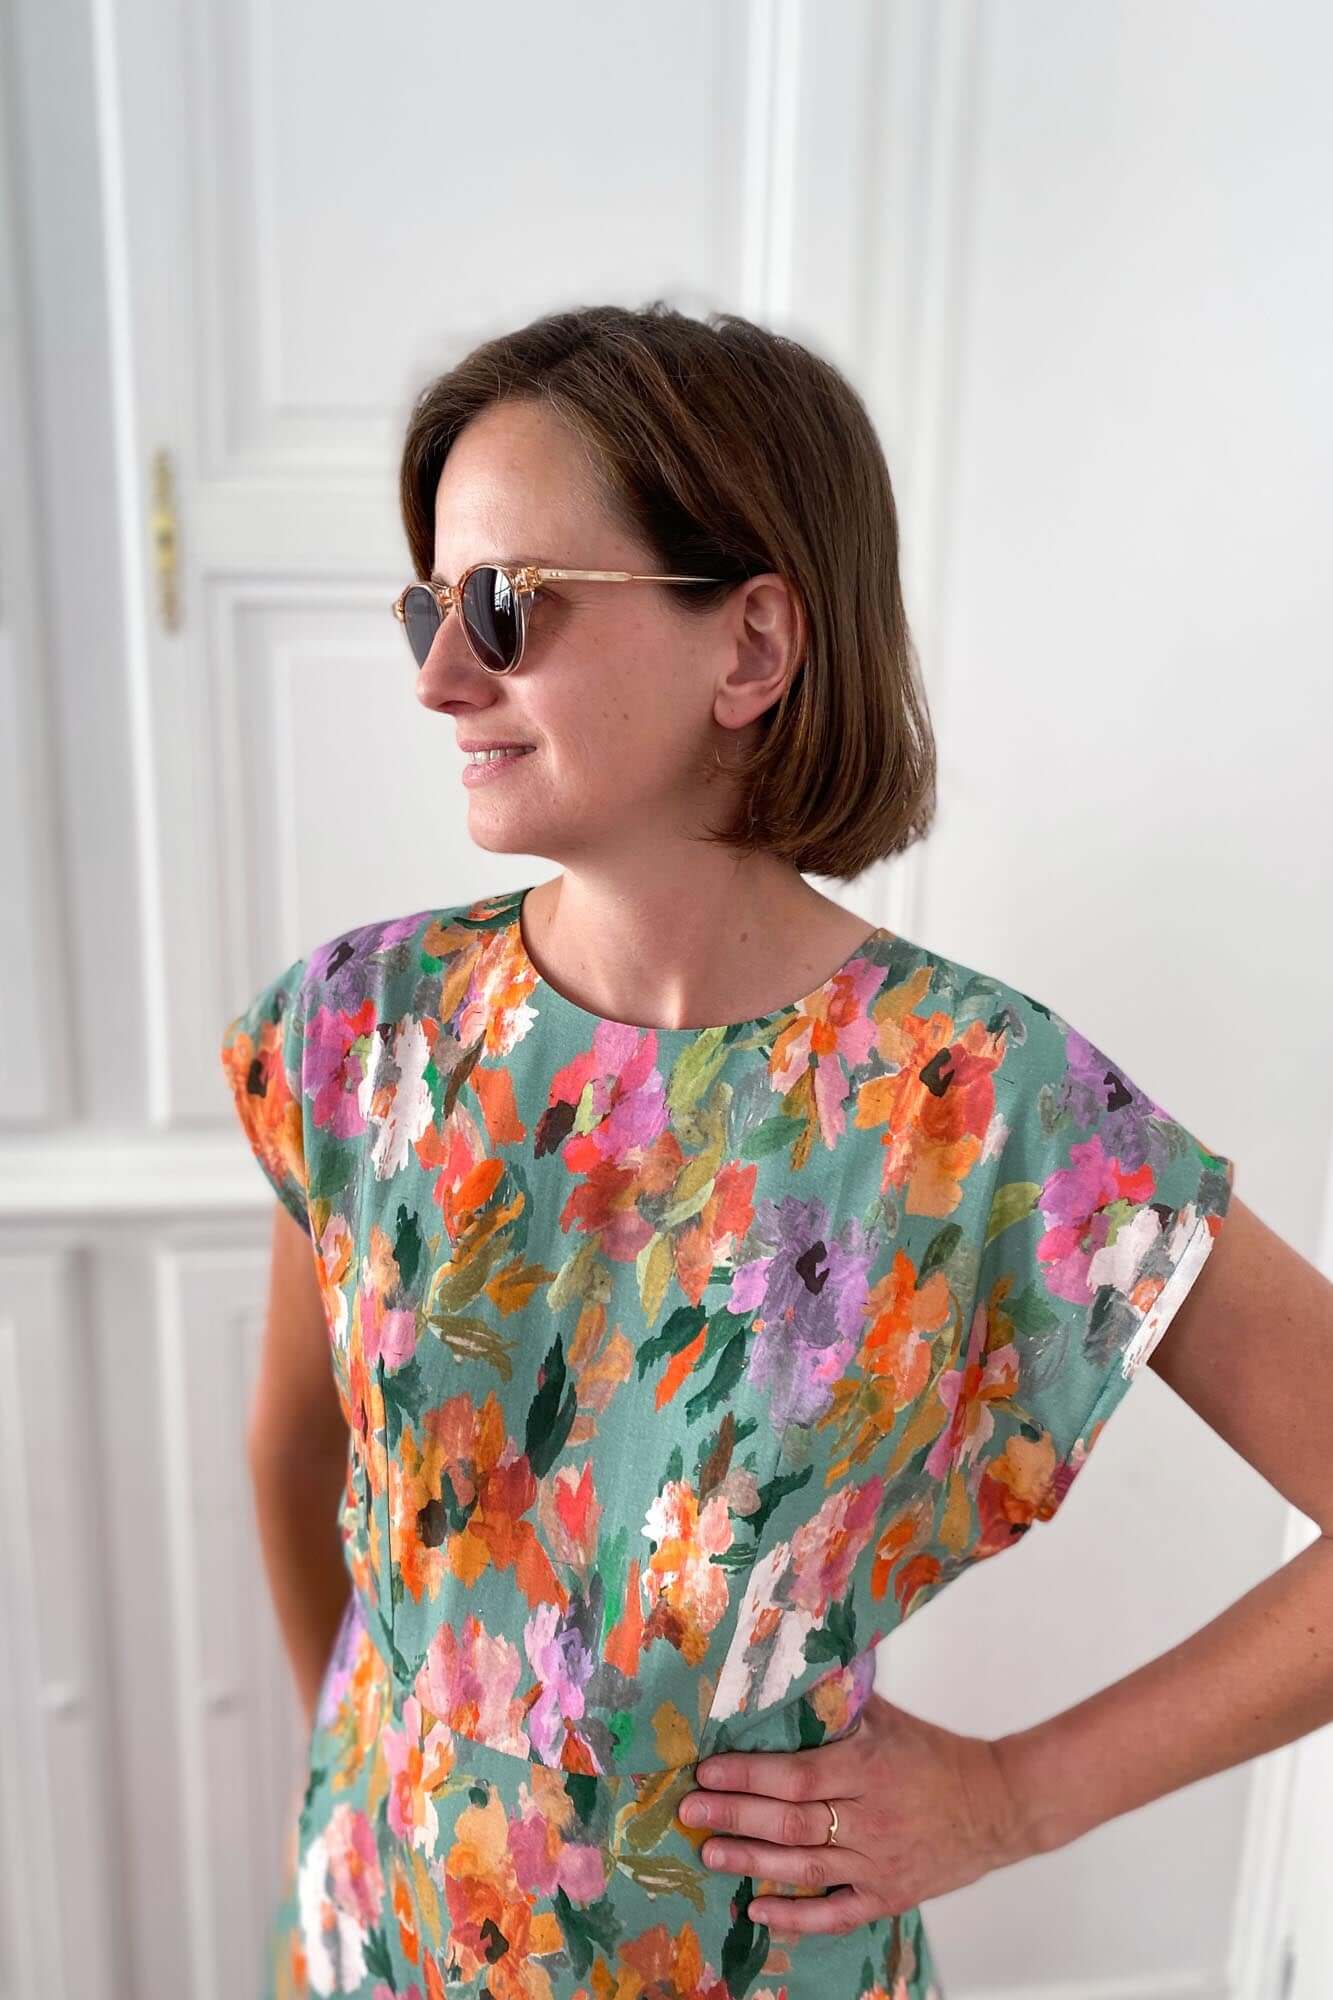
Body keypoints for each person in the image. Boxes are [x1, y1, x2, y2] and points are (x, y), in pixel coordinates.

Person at [220, 302, 1332, 2000]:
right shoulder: (357, 1035)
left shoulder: (981, 1107)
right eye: (425, 611)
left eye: (503, 604)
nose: (440, 677)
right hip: (371, 1946)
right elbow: (294, 1455)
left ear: (748, 646)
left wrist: (1015, 1796)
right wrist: (369, 1784)